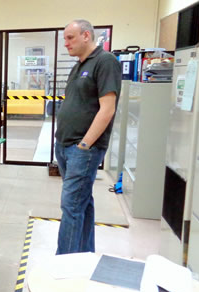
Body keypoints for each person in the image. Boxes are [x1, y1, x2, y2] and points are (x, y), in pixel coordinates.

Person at [54, 19, 122, 255]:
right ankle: (83, 255)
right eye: (65, 39)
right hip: (64, 146)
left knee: (71, 206)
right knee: (83, 202)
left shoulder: (105, 62)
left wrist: (85, 145)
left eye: (70, 38)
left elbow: (108, 109)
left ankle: (63, 265)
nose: (66, 44)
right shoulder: (77, 66)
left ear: (86, 35)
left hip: (81, 149)